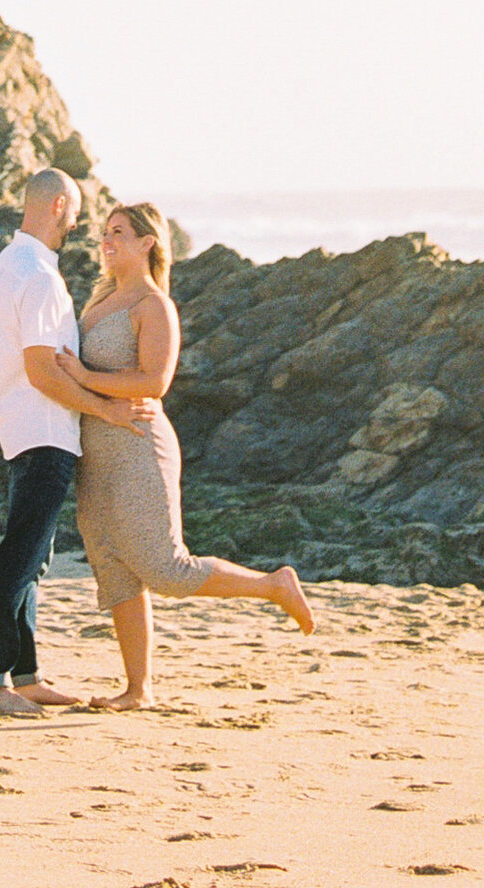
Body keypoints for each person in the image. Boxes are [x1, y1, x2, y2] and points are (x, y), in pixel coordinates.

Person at [71, 198, 314, 706]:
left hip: (138, 445)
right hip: (95, 448)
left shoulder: (154, 305)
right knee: (114, 568)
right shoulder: (97, 304)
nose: (107, 241)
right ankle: (138, 689)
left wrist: (83, 377)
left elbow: (155, 383)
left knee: (167, 569)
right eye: (104, 233)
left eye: (118, 232)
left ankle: (273, 585)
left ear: (147, 243)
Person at [0, 165, 131, 713]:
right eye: (79, 214)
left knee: (33, 555)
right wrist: (104, 409)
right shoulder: (37, 274)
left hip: (24, 426)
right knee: (22, 553)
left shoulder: (10, 263)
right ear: (60, 206)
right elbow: (42, 371)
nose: (79, 227)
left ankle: (25, 673)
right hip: (42, 429)